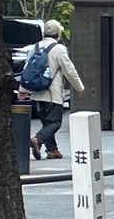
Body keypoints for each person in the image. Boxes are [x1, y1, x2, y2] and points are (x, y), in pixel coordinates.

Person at [17, 18, 84, 160]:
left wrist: (23, 89)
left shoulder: (35, 47)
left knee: (47, 123)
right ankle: (37, 139)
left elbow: (27, 69)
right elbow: (69, 70)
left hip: (36, 93)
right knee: (55, 123)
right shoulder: (59, 49)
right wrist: (79, 87)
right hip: (52, 94)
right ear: (58, 34)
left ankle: (52, 150)